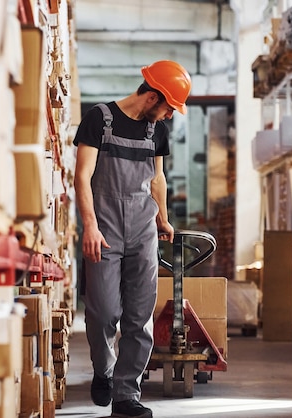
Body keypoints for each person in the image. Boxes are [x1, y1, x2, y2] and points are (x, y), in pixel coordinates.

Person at [73, 60, 191, 418]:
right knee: (103, 312)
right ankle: (103, 371)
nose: (170, 116)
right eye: (169, 107)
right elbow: (82, 176)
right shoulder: (99, 119)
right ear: (153, 97)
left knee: (139, 319)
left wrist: (163, 218)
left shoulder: (157, 131)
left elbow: (157, 179)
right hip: (104, 229)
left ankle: (126, 396)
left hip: (142, 231)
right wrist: (90, 226)